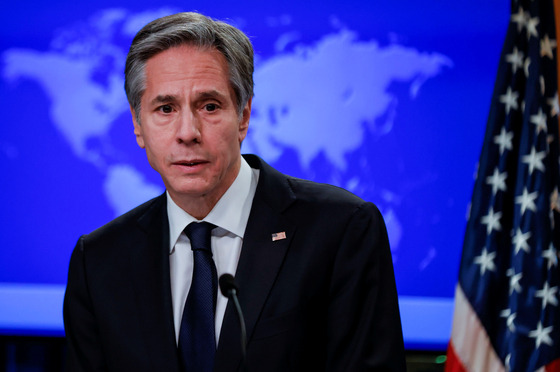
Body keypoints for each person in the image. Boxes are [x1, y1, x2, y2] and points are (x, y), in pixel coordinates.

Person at [63, 11, 406, 372]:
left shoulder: (341, 230)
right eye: (165, 109)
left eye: (209, 106)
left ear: (243, 115)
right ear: (138, 125)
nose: (187, 132)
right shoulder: (100, 261)